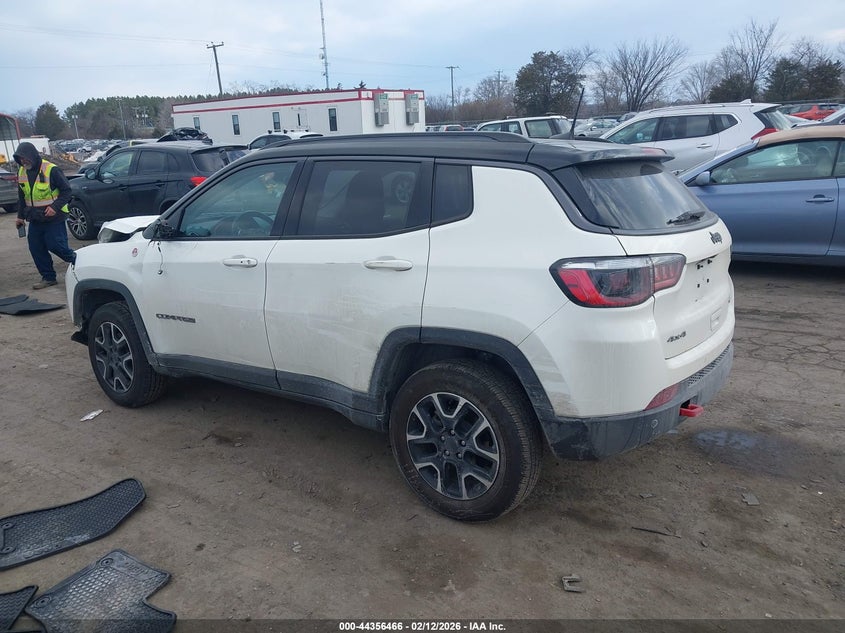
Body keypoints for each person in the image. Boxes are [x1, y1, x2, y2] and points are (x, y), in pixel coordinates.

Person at [13, 142, 76, 289]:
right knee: (36, 247)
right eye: (20, 159)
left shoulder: (51, 170)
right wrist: (20, 216)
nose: (23, 161)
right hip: (35, 218)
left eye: (25, 158)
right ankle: (48, 277)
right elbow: (22, 197)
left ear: (32, 155)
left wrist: (54, 207)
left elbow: (67, 191)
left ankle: (79, 261)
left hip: (54, 217)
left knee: (56, 246)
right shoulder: (22, 172)